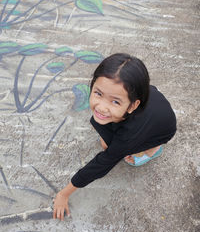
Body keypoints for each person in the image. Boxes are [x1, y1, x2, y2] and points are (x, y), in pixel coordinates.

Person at [53, 53, 176, 220]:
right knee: (105, 134)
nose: (102, 107)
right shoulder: (130, 95)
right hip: (151, 106)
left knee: (115, 150)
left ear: (133, 105)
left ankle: (152, 150)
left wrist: (64, 194)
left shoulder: (128, 135)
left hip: (160, 130)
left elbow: (100, 165)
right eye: (98, 93)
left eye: (115, 101)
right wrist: (115, 105)